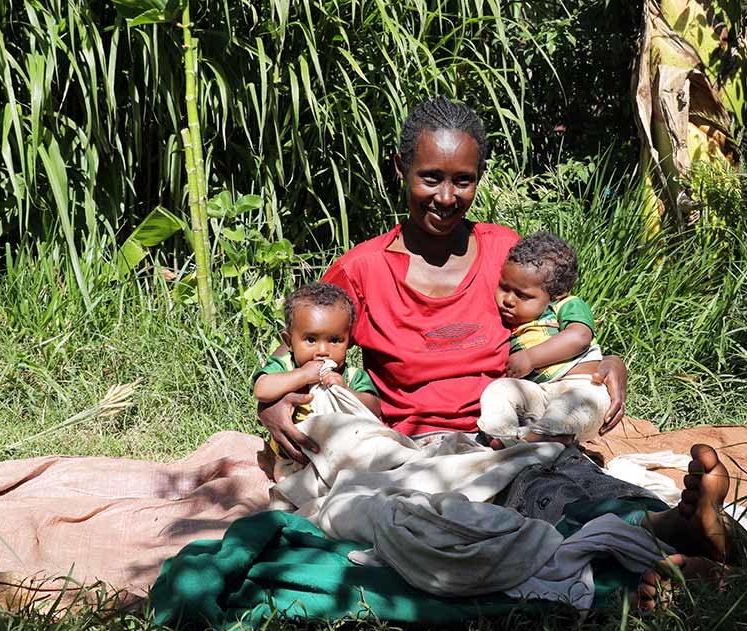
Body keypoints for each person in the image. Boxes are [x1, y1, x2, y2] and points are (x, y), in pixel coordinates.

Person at [257, 97, 627, 460]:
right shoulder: (364, 270)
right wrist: (271, 403)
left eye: (463, 181)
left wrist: (604, 364)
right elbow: (304, 337)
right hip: (410, 449)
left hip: (512, 437)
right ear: (401, 168)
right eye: (431, 178)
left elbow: (552, 326)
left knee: (583, 502)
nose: (446, 197)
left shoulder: (506, 256)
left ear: (479, 176)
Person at [477, 231, 611, 445]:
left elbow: (580, 336)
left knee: (568, 407)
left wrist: (530, 358)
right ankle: (504, 436)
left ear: (557, 294)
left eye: (523, 295)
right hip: (538, 393)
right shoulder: (511, 322)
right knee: (499, 390)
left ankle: (548, 437)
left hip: (581, 387)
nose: (508, 300)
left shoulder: (566, 305)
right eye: (504, 288)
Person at [252, 282, 381, 480]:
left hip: (341, 458)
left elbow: (374, 408)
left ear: (349, 342)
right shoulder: (286, 366)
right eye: (311, 340)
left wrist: (346, 391)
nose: (322, 350)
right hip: (292, 460)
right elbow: (261, 389)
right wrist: (303, 375)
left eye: (335, 340)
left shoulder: (351, 375)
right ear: (289, 341)